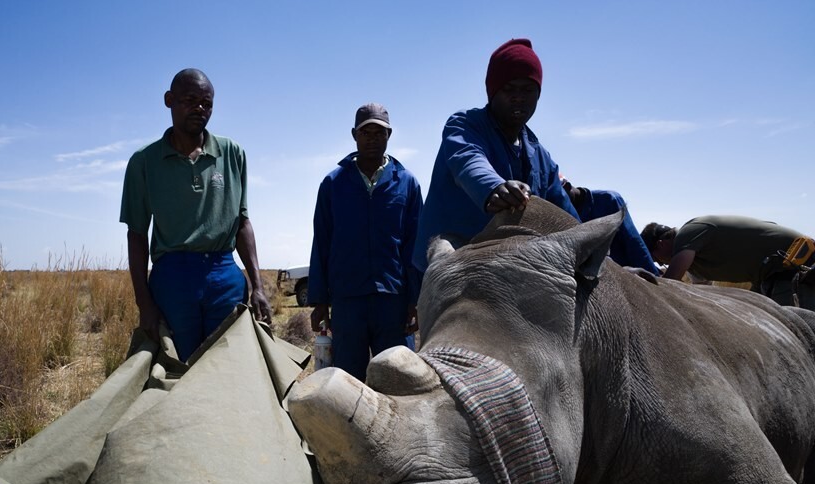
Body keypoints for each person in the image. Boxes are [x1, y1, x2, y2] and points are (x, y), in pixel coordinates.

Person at [413, 38, 650, 274]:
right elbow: (468, 159)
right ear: (491, 93)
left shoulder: (539, 155)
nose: (519, 97)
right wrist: (493, 187)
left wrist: (613, 273)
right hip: (448, 264)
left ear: (538, 95)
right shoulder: (465, 125)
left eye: (528, 90)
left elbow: (567, 219)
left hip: (500, 267)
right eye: (509, 89)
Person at [120, 68, 272, 362]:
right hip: (173, 279)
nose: (200, 108)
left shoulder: (232, 153)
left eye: (207, 103)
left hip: (224, 275)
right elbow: (136, 233)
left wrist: (258, 286)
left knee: (229, 367)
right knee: (177, 368)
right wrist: (144, 304)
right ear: (169, 100)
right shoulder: (144, 162)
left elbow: (242, 222)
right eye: (190, 100)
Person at [308, 103, 422, 381]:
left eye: (379, 133)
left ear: (389, 135)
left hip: (392, 302)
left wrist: (416, 301)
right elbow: (321, 242)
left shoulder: (407, 183)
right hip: (348, 301)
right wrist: (320, 301)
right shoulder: (333, 184)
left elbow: (415, 245)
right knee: (346, 385)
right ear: (354, 135)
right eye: (365, 132)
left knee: (398, 380)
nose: (372, 138)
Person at [640, 216, 815, 308]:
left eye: (656, 259)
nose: (662, 264)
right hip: (771, 276)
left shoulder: (689, 233)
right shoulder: (694, 257)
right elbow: (702, 293)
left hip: (798, 263)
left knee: (792, 332)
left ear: (660, 244)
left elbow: (670, 281)